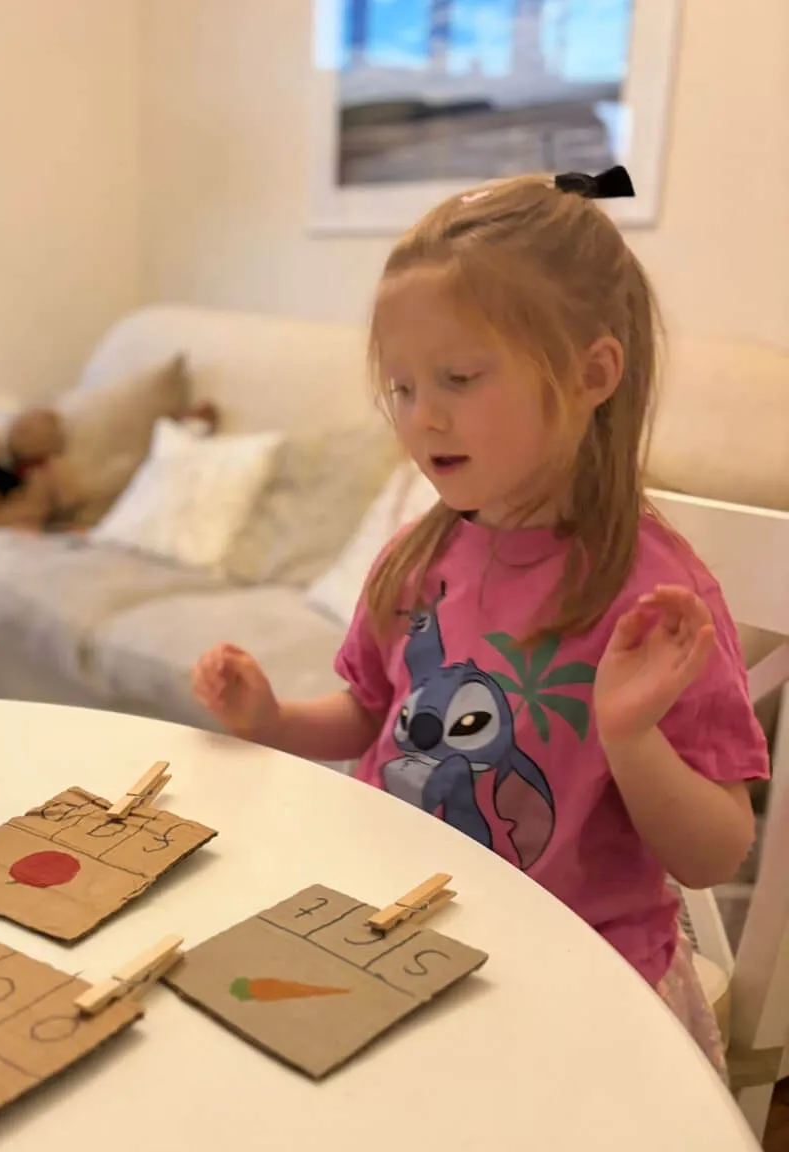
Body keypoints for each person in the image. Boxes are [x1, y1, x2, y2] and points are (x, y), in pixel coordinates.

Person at [191, 167, 769, 1075]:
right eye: (404, 388)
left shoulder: (656, 601)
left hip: (578, 983)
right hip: (394, 934)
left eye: (459, 377)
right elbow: (367, 714)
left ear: (592, 373)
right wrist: (270, 722)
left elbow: (716, 851)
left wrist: (629, 736)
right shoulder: (418, 560)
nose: (425, 419)